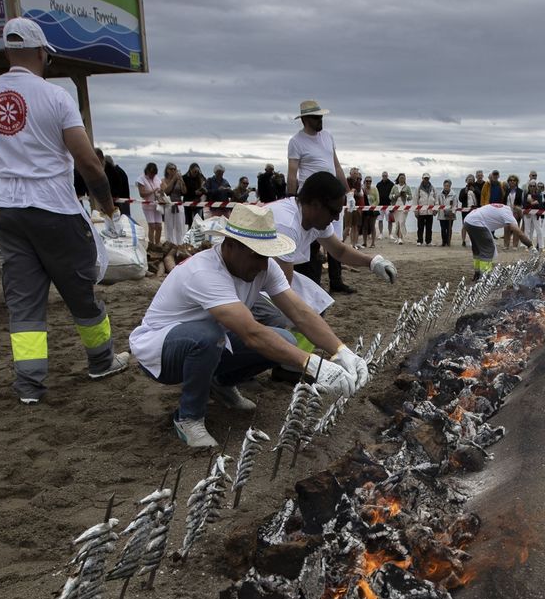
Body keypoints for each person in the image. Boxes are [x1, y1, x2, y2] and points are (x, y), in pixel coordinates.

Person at [0, 17, 127, 405]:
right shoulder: (55, 97)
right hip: (54, 209)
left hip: (9, 212)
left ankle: (29, 385)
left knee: (24, 300)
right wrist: (109, 208)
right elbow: (88, 163)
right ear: (42, 53)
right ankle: (101, 361)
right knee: (79, 292)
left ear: (7, 52)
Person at [128, 202, 365, 448]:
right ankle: (188, 417)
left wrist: (340, 350)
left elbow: (300, 312)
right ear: (230, 246)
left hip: (215, 341)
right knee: (208, 336)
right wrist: (311, 363)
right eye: (256, 255)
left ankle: (221, 383)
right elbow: (251, 333)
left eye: (266, 256)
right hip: (160, 352)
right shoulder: (205, 272)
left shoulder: (263, 265)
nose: (263, 265)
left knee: (285, 340)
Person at [259, 171, 397, 346]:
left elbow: (338, 251)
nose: (337, 218)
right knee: (278, 319)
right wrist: (336, 347)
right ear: (316, 204)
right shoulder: (286, 225)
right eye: (334, 211)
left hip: (271, 276)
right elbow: (282, 288)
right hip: (247, 281)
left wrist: (372, 262)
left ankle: (289, 370)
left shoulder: (314, 217)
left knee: (317, 306)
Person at [287, 100, 353, 295]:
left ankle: (336, 281)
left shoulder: (327, 137)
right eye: (316, 117)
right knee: (312, 243)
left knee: (335, 238)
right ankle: (309, 282)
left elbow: (337, 166)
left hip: (332, 195)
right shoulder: (296, 141)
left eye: (321, 116)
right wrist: (292, 198)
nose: (320, 120)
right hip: (313, 198)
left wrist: (347, 192)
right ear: (306, 119)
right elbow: (292, 173)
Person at [464, 198, 536, 277]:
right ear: (516, 215)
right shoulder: (509, 216)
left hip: (468, 220)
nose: (517, 222)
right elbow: (520, 234)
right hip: (477, 223)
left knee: (477, 249)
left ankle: (477, 273)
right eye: (518, 219)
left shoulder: (505, 208)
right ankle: (485, 276)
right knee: (488, 249)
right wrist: (530, 245)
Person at [138, 161, 163, 246]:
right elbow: (142, 194)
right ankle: (152, 245)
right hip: (148, 206)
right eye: (151, 173)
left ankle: (158, 244)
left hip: (157, 205)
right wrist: (153, 191)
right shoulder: (141, 179)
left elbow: (161, 189)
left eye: (154, 174)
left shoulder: (157, 178)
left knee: (159, 226)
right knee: (152, 226)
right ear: (147, 171)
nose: (152, 175)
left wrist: (160, 192)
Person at [161, 162, 186, 244]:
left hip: (179, 205)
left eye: (174, 169)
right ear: (167, 170)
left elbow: (184, 191)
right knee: (169, 227)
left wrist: (181, 180)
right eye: (171, 169)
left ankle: (180, 244)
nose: (173, 170)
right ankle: (170, 243)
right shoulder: (163, 180)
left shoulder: (179, 180)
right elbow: (166, 191)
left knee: (180, 227)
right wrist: (173, 180)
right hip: (169, 205)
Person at [102, 151, 131, 217]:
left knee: (122, 218)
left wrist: (115, 195)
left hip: (120, 200)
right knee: (125, 217)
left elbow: (118, 185)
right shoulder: (119, 170)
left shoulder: (115, 172)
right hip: (124, 198)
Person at [414, 173, 436, 245]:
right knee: (420, 227)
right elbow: (415, 200)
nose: (426, 179)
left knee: (429, 228)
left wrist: (435, 209)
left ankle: (428, 241)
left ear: (429, 179)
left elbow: (436, 199)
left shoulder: (433, 188)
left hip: (430, 211)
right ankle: (419, 241)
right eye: (425, 178)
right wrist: (416, 211)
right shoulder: (418, 188)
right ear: (422, 178)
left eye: (427, 178)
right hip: (421, 211)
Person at [182, 162, 206, 228]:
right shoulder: (185, 178)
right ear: (190, 170)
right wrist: (194, 192)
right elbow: (183, 192)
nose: (195, 173)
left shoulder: (201, 177)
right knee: (189, 222)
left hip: (198, 201)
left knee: (199, 222)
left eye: (197, 172)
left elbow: (205, 186)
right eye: (194, 171)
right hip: (188, 201)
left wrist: (202, 190)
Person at [458, 174, 477, 246]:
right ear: (466, 181)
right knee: (464, 225)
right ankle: (463, 240)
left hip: (473, 209)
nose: (470, 181)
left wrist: (474, 190)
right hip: (465, 210)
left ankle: (473, 240)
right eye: (469, 180)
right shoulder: (463, 190)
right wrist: (465, 192)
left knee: (474, 225)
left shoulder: (475, 188)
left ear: (473, 181)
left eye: (471, 179)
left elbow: (478, 196)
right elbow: (460, 199)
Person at [391, 173, 410, 244]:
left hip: (404, 207)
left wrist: (406, 195)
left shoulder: (407, 187)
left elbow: (410, 197)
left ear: (405, 179)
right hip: (395, 207)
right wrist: (395, 195)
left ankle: (400, 238)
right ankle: (398, 237)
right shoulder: (394, 187)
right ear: (398, 178)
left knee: (402, 222)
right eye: (401, 178)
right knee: (397, 223)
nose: (402, 179)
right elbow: (390, 196)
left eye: (403, 178)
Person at [437, 178, 456, 246]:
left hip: (450, 214)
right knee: (443, 229)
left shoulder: (453, 194)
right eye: (445, 185)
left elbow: (455, 205)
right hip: (442, 213)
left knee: (449, 228)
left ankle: (448, 241)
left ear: (450, 186)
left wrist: (453, 213)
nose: (446, 187)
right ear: (443, 186)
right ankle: (443, 242)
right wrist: (436, 210)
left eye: (448, 185)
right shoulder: (440, 194)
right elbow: (437, 203)